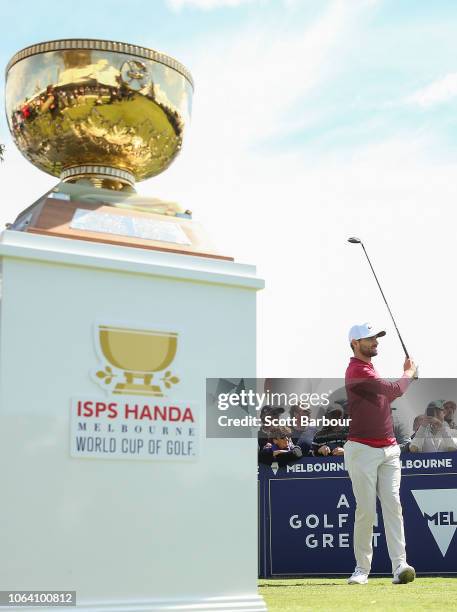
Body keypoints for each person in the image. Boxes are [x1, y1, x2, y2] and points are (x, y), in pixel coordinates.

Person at [344, 322, 417, 585]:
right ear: (355, 343)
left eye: (376, 337)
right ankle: (362, 570)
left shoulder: (370, 369)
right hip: (362, 450)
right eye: (368, 338)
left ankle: (400, 566)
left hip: (389, 449)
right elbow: (394, 390)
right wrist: (408, 374)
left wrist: (405, 378)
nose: (375, 341)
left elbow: (386, 398)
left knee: (393, 506)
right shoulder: (357, 369)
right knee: (365, 510)